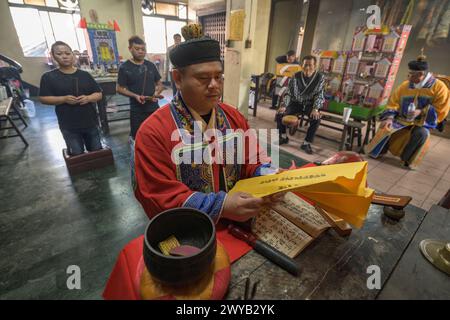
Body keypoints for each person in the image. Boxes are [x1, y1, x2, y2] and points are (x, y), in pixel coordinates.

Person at [134, 24, 281, 223]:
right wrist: (222, 206)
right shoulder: (153, 131)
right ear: (178, 78)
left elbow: (252, 158)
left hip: (240, 219)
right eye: (203, 78)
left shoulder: (233, 117)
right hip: (193, 229)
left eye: (218, 77)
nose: (214, 85)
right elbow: (161, 195)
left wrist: (268, 177)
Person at [367, 54, 449, 168]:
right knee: (386, 125)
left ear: (421, 74)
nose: (409, 77)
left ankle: (406, 159)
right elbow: (393, 102)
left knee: (422, 133)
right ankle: (378, 151)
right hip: (401, 119)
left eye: (411, 75)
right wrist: (390, 117)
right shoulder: (405, 85)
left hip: (421, 122)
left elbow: (441, 109)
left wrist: (420, 112)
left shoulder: (439, 88)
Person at [39, 41, 103, 156]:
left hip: (90, 122)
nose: (64, 56)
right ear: (53, 56)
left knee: (97, 153)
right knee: (77, 155)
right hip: (68, 125)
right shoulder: (49, 77)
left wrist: (88, 98)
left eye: (67, 53)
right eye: (59, 54)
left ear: (73, 55)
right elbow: (43, 98)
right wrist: (63, 99)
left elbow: (99, 94)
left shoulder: (85, 75)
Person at [275, 55, 325, 155]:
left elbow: (320, 94)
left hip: (310, 104)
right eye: (305, 65)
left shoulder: (320, 77)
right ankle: (284, 137)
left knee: (316, 119)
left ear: (315, 66)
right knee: (280, 114)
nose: (307, 67)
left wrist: (315, 109)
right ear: (301, 65)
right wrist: (284, 105)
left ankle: (306, 143)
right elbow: (289, 92)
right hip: (295, 102)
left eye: (310, 65)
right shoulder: (296, 76)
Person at [117, 36, 164, 140]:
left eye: (143, 49)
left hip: (153, 107)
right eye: (137, 49)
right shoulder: (125, 67)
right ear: (130, 49)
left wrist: (156, 93)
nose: (140, 52)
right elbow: (119, 89)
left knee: (157, 135)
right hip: (137, 110)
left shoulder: (150, 65)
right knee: (138, 137)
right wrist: (135, 96)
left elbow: (160, 84)